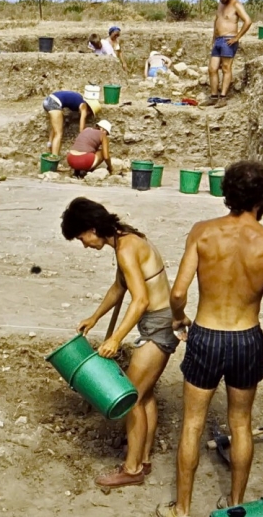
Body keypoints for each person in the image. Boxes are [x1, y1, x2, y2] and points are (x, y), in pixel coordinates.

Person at [156, 160, 263, 517]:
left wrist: (178, 318)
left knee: (192, 423)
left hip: (207, 335)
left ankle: (182, 511)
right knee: (241, 423)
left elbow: (177, 292)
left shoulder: (203, 232)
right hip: (246, 338)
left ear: (226, 193)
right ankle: (234, 508)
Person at [61, 198, 180, 490]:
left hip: (158, 325)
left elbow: (140, 300)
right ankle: (144, 458)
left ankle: (132, 469)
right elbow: (119, 287)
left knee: (131, 398)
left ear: (92, 229)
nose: (84, 245)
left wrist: (116, 339)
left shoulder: (126, 249)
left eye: (81, 238)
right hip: (160, 321)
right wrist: (95, 317)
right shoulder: (125, 238)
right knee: (145, 395)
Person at [204, 0, 251, 108]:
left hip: (229, 40)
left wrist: (237, 37)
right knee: (212, 68)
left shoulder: (236, 4)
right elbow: (217, 20)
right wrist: (214, 36)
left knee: (226, 68)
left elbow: (248, 21)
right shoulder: (220, 4)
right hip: (218, 40)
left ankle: (223, 97)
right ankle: (214, 96)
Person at [43, 91, 101, 158]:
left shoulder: (79, 99)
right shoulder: (84, 107)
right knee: (59, 134)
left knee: (55, 128)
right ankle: (54, 158)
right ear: (89, 109)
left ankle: (50, 145)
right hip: (54, 103)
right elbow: (81, 130)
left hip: (48, 100)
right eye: (90, 113)